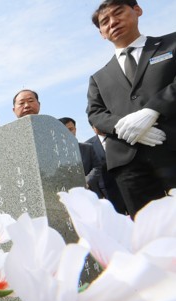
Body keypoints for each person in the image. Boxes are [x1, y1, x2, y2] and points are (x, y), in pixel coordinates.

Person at [87, 0, 176, 216]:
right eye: (104, 22)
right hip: (129, 163)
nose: (112, 22)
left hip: (171, 145)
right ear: (101, 33)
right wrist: (123, 127)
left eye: (118, 13)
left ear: (137, 10)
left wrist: (152, 110)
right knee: (149, 234)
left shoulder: (171, 43)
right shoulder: (99, 77)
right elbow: (95, 113)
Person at [86, 124, 128, 214]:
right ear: (93, 127)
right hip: (108, 194)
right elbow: (93, 170)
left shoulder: (121, 137)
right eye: (97, 125)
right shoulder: (88, 146)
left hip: (129, 186)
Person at [59, 117, 103, 194]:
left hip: (89, 192)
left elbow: (97, 167)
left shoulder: (88, 148)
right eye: (64, 130)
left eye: (70, 129)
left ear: (75, 130)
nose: (68, 133)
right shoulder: (55, 153)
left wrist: (86, 182)